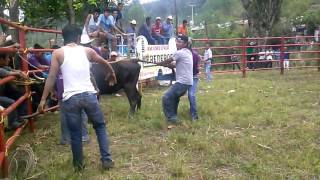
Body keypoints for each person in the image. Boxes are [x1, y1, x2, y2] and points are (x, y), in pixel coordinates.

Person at [37, 24, 117, 171]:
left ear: (63, 37)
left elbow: (52, 76)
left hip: (70, 98)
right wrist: (111, 72)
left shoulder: (58, 53)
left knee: (75, 134)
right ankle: (107, 160)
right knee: (100, 127)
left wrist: (43, 100)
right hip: (89, 95)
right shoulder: (87, 50)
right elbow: (104, 61)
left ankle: (79, 166)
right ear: (79, 37)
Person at [157, 35, 193, 128]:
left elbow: (169, 60)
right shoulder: (188, 52)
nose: (177, 43)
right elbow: (174, 64)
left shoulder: (180, 52)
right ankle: (173, 118)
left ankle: (172, 118)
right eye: (177, 41)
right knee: (174, 98)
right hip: (187, 83)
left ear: (185, 44)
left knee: (166, 97)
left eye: (180, 42)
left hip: (182, 82)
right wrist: (167, 65)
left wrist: (161, 63)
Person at [187, 40, 200, 121]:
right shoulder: (180, 53)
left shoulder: (194, 55)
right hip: (185, 78)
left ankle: (194, 115)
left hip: (193, 77)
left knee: (191, 94)